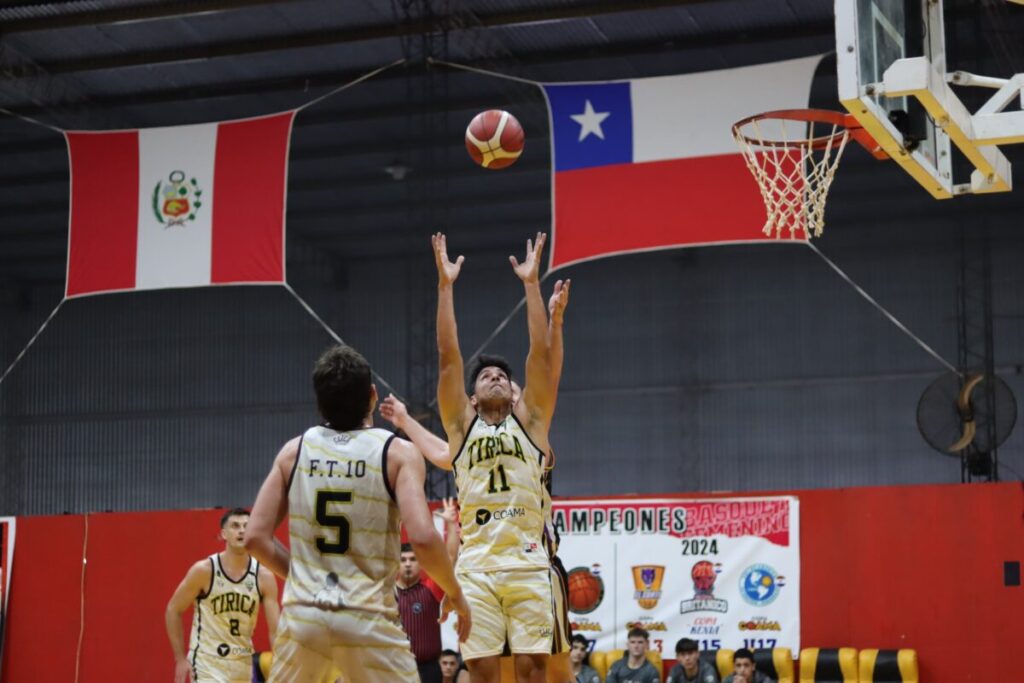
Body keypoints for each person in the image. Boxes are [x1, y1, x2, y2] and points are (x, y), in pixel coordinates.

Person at [243, 344, 471, 682]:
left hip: (305, 618)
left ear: (319, 401)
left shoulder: (294, 451)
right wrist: (455, 592)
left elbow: (254, 539)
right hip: (368, 618)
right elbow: (423, 538)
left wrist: (305, 578)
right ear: (373, 396)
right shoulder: (397, 453)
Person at [165, 508, 280, 683]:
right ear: (223, 534)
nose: (241, 530)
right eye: (235, 526)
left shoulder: (264, 577)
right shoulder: (204, 570)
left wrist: (281, 663)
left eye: (246, 526)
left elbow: (275, 631)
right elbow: (173, 610)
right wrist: (180, 658)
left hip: (242, 663)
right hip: (207, 662)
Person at [397, 508, 460, 683]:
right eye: (403, 560)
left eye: (413, 559)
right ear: (396, 563)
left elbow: (450, 558)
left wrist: (451, 523)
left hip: (429, 669)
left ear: (421, 564)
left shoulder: (431, 588)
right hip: (397, 666)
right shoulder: (388, 593)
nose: (408, 564)